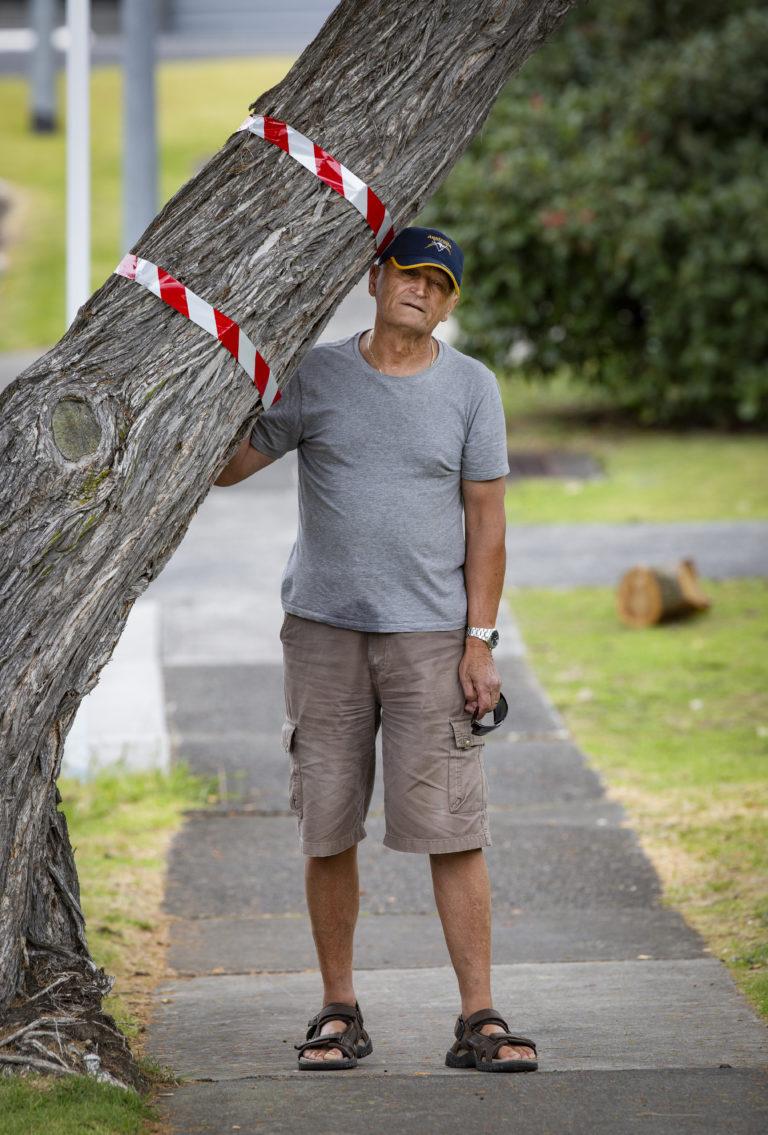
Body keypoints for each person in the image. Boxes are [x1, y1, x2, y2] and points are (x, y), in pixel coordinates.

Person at [214, 226, 538, 1074]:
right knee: (327, 824)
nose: (421, 290)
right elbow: (228, 465)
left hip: (433, 640)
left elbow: (488, 524)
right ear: (375, 277)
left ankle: (479, 1019)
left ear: (450, 301)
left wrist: (480, 641)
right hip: (323, 631)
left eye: (439, 283)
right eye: (409, 273)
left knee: (453, 827)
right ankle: (338, 1009)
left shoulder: (473, 388)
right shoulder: (318, 375)